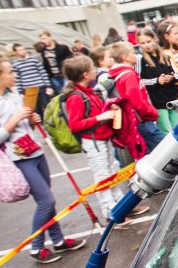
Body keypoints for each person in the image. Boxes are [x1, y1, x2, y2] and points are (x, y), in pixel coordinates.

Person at [0, 60, 86, 263]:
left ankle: (58, 240)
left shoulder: (14, 96)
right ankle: (36, 247)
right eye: (11, 71)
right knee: (47, 201)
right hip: (17, 157)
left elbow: (23, 125)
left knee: (46, 200)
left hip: (34, 151)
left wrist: (30, 119)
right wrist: (16, 119)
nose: (15, 74)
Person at [61, 56, 146, 222]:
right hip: (94, 142)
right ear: (85, 74)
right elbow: (75, 125)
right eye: (92, 68)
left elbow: (96, 110)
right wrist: (101, 117)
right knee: (102, 176)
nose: (95, 70)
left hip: (102, 139)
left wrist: (109, 107)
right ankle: (110, 211)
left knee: (111, 172)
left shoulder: (88, 92)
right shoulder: (76, 97)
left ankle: (120, 207)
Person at [108, 42, 165, 154]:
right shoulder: (129, 75)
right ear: (125, 58)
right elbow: (136, 101)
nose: (135, 55)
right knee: (163, 151)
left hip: (133, 120)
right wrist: (151, 112)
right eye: (132, 53)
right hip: (141, 120)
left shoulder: (116, 74)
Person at [136, 29, 178, 135]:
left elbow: (177, 74)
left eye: (148, 41)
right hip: (157, 102)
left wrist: (171, 77)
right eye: (142, 43)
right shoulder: (140, 59)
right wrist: (156, 80)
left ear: (154, 40)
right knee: (165, 131)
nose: (146, 45)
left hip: (172, 97)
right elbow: (139, 81)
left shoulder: (165, 55)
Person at [10, 44, 53, 112]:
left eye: (24, 49)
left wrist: (48, 86)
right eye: (20, 50)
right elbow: (18, 80)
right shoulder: (15, 64)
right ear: (15, 52)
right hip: (28, 90)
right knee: (35, 110)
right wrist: (21, 92)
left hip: (40, 86)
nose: (23, 51)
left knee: (48, 107)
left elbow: (43, 72)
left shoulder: (33, 59)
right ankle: (40, 122)